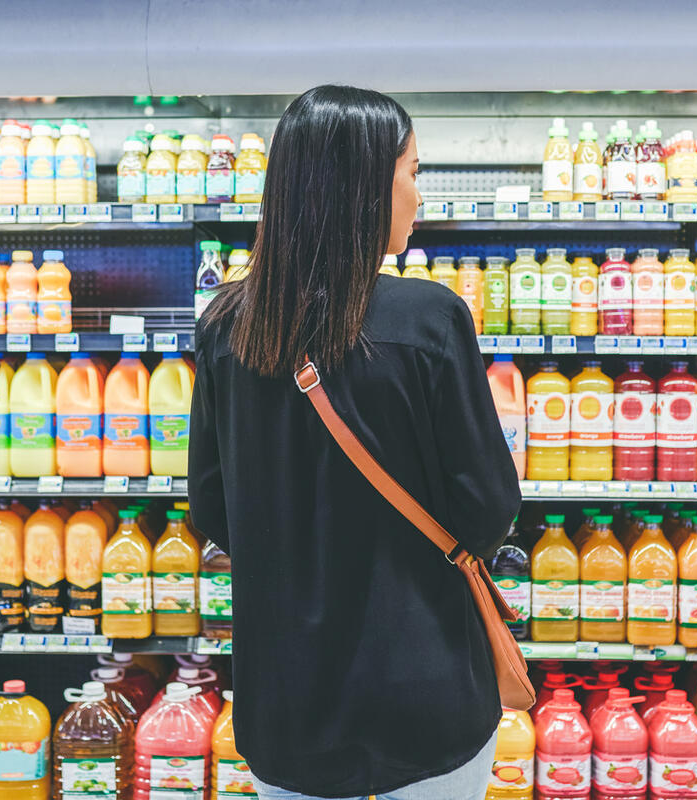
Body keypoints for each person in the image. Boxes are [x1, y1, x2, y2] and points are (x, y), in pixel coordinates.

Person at [189, 84, 521, 800]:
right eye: (413, 172)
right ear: (368, 186)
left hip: (288, 702)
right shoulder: (429, 320)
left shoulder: (226, 327)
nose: (419, 195)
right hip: (426, 688)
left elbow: (214, 511)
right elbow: (489, 506)